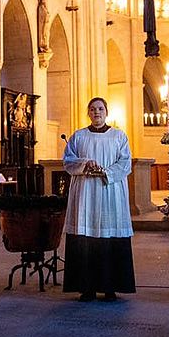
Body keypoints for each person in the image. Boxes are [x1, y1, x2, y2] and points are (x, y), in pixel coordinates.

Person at [62, 97, 136, 302]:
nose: (97, 112)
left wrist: (106, 172)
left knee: (108, 237)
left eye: (100, 108)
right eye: (93, 109)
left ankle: (110, 287)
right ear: (88, 113)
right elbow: (68, 162)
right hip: (85, 194)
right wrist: (85, 163)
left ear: (106, 112)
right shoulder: (78, 136)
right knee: (86, 238)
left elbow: (125, 163)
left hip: (109, 193)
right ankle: (87, 288)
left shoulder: (118, 136)